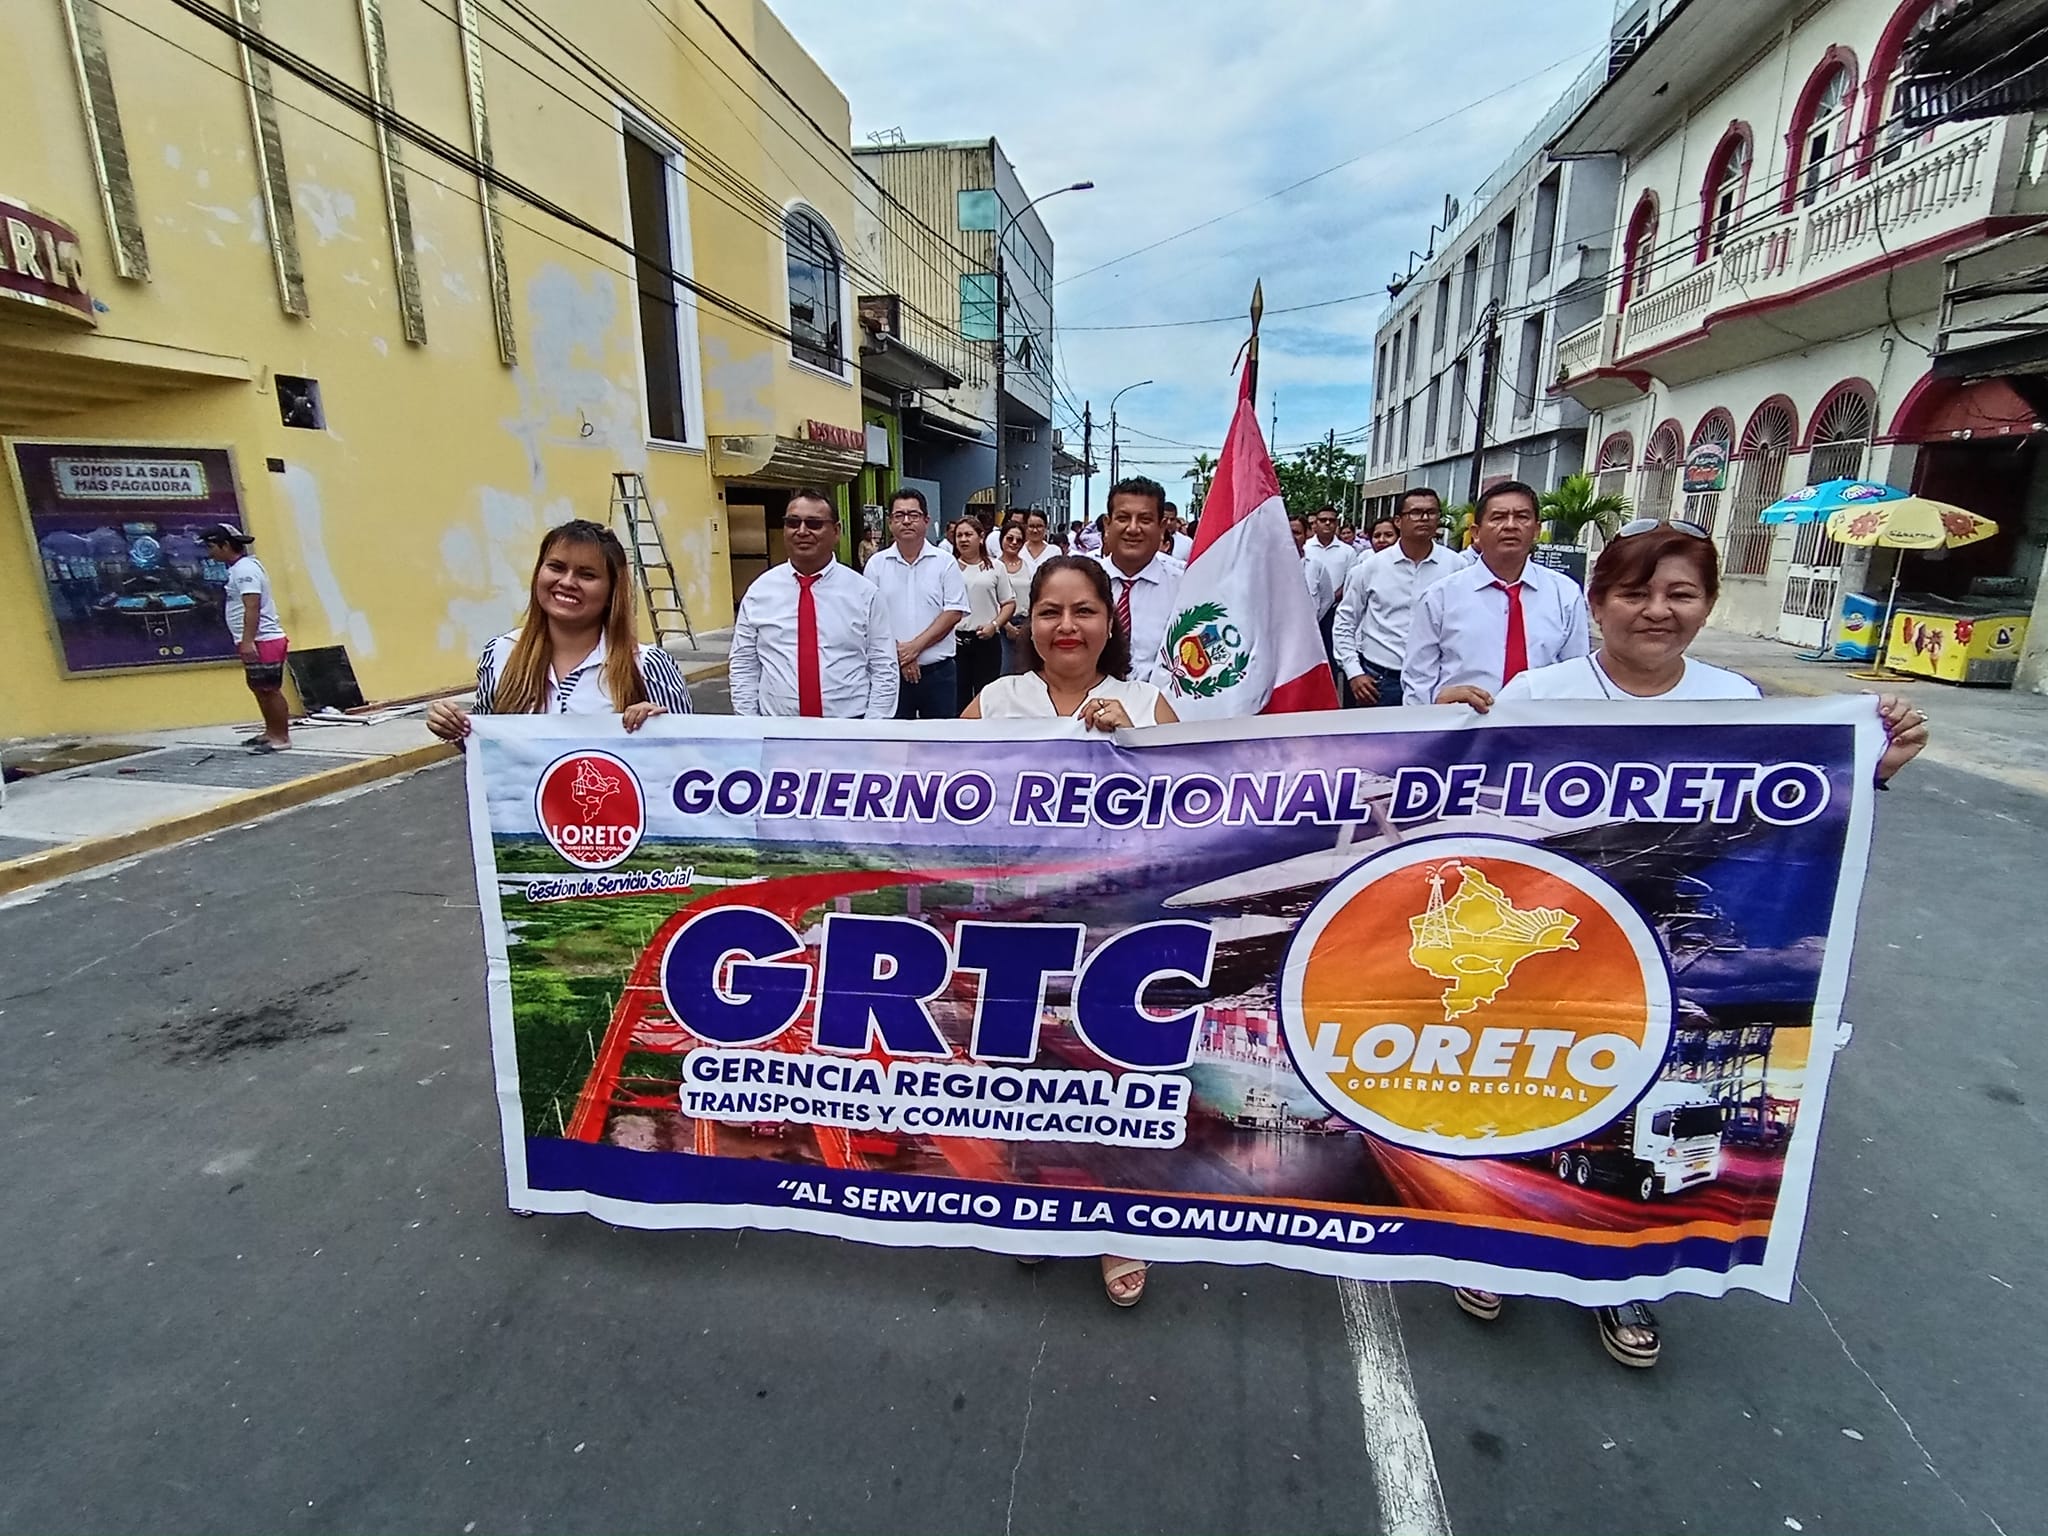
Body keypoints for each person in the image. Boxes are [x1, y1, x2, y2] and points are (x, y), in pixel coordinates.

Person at [1443, 518, 1930, 1368]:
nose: (1656, 612)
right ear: (1598, 604)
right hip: (1551, 949)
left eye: (1680, 594)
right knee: (1528, 1097)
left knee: (1636, 1113)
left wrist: (1873, 765)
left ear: (1706, 606)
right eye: (1635, 593)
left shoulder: (1740, 707)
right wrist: (1439, 731)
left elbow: (1798, 815)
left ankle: (1620, 1277)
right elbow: (1466, 814)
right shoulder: (1536, 694)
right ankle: (1502, 1248)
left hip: (1665, 957)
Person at [963, 554, 1179, 1308]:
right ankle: (1035, 1202)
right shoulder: (995, 701)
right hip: (1019, 926)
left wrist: (1142, 752)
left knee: (1118, 1075)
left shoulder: (1148, 703)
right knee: (1022, 1073)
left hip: (1121, 931)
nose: (1066, 626)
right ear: (1028, 622)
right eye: (1049, 610)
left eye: (1083, 609)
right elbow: (915, 785)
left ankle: (1121, 1223)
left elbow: (1201, 815)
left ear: (1108, 621)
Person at [426, 517, 694, 742]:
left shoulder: (648, 665)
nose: (567, 582)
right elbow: (490, 754)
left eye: (587, 575)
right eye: (556, 567)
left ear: (612, 590)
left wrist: (661, 729)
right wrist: (455, 730)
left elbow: (694, 761)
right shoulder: (501, 653)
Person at [1402, 480, 1589, 706]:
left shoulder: (1565, 594)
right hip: (1461, 729)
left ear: (1537, 530)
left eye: (1522, 516)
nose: (1510, 525)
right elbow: (1417, 681)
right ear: (1476, 533)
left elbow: (1575, 674)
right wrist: (1435, 706)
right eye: (1498, 517)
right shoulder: (1441, 597)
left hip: (1538, 730)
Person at [726, 490, 897, 719]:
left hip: (849, 730)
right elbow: (744, 664)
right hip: (777, 729)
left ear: (836, 531)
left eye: (814, 524)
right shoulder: (759, 592)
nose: (802, 531)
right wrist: (751, 725)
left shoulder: (865, 594)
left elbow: (884, 666)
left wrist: (871, 730)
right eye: (793, 523)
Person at [1331, 488, 1465, 709]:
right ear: (1398, 521)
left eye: (1431, 513)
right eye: (1415, 513)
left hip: (1437, 681)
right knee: (1374, 743)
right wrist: (1354, 672)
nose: (1424, 518)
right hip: (1380, 682)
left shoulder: (1456, 567)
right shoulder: (1370, 568)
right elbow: (1345, 621)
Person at [867, 489, 968, 720]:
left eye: (913, 515)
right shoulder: (876, 565)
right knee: (893, 745)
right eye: (899, 515)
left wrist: (914, 649)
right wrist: (901, 657)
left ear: (926, 520)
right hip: (890, 673)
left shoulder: (945, 563)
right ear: (890, 522)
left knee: (939, 744)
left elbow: (953, 612)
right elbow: (870, 619)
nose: (906, 521)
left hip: (938, 673)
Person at [201, 524, 292, 752]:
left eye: (212, 546)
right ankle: (270, 732)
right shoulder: (238, 568)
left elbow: (252, 606)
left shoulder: (245, 571)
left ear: (225, 545)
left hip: (263, 639)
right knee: (259, 688)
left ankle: (281, 737)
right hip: (254, 640)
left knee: (269, 690)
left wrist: (248, 640)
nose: (210, 552)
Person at [1088, 477, 1184, 686]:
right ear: (1107, 524)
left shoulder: (1185, 587)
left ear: (1161, 527)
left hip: (1161, 711)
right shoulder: (1083, 581)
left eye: (1145, 520)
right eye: (1123, 518)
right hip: (1088, 707)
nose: (1133, 529)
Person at [948, 515, 1015, 714]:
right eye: (959, 535)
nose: (963, 539)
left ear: (981, 537)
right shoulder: (948, 568)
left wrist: (994, 625)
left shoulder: (996, 567)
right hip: (956, 643)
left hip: (986, 641)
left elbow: (1008, 603)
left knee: (987, 699)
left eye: (968, 534)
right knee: (959, 699)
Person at [1291, 511, 1338, 621]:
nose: (1291, 537)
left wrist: (1313, 621)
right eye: (1287, 533)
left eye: (1296, 533)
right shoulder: (1271, 567)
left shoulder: (1316, 567)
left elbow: (1327, 599)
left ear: (1306, 535)